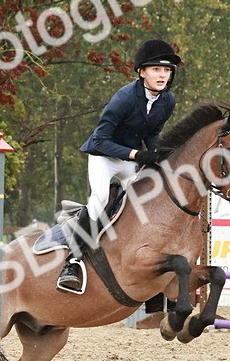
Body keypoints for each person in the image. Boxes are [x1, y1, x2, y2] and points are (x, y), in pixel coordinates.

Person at [57, 38, 181, 294]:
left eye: (167, 70)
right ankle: (73, 260)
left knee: (145, 199)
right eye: (157, 69)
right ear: (142, 72)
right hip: (104, 156)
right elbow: (101, 140)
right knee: (101, 197)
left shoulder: (168, 100)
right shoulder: (124, 97)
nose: (163, 75)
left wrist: (160, 152)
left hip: (130, 160)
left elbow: (153, 133)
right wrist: (138, 155)